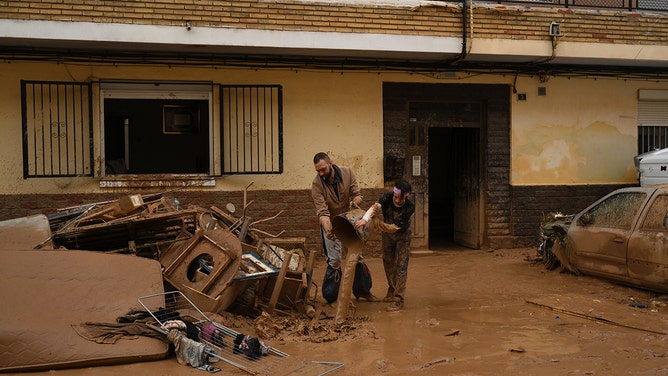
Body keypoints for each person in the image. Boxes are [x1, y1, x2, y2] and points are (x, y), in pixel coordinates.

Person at [311, 152, 379, 303]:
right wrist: (328, 229)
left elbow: (358, 194)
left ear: (330, 163)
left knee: (357, 256)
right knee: (334, 260)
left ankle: (362, 292)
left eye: (323, 169)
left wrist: (356, 201)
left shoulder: (347, 172)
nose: (321, 174)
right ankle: (331, 298)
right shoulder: (317, 184)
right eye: (318, 171)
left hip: (349, 221)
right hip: (331, 224)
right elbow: (322, 212)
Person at [355, 180, 415, 312]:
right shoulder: (386, 197)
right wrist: (366, 219)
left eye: (401, 198)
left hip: (402, 235)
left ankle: (399, 299)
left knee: (401, 266)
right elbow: (375, 207)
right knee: (388, 261)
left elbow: (394, 228)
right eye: (396, 197)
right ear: (393, 193)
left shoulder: (410, 207)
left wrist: (376, 222)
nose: (398, 200)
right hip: (387, 235)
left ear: (407, 196)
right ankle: (392, 288)